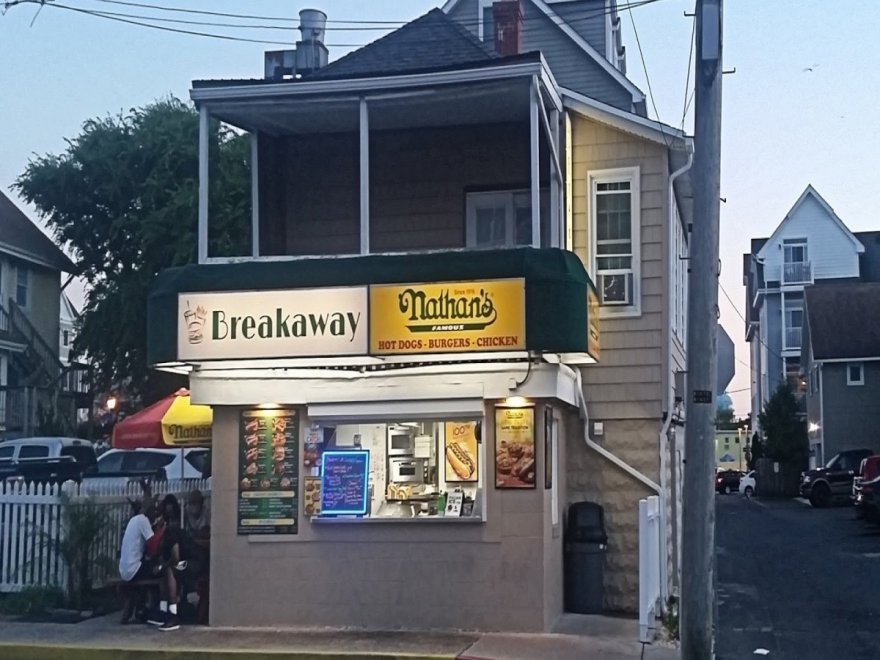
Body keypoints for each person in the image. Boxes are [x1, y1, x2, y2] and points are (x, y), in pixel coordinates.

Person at [118, 496, 157, 624]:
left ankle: (136, 608)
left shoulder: (132, 521)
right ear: (149, 510)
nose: (155, 514)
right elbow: (153, 545)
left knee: (145, 569)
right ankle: (153, 609)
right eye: (154, 511)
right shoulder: (143, 520)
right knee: (158, 571)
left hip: (124, 570)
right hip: (134, 569)